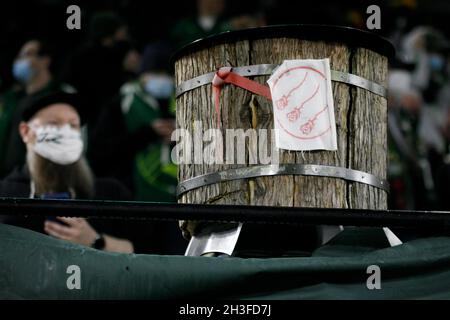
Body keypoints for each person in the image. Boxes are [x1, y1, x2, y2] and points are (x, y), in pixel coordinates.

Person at [0, 91, 153, 254]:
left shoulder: (110, 192)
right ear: (25, 131)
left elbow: (149, 254)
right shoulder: (6, 193)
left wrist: (96, 241)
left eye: (73, 125)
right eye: (53, 124)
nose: (65, 132)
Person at [89, 42, 186, 255]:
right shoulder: (121, 104)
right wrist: (146, 134)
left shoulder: (185, 102)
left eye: (165, 74)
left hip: (178, 205)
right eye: (154, 73)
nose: (160, 79)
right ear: (141, 74)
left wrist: (181, 137)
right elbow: (100, 153)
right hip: (134, 202)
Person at [0, 39, 74, 178]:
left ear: (45, 60)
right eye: (19, 56)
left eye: (27, 54)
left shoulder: (62, 95)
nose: (19, 61)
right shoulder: (10, 99)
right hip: (6, 183)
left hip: (41, 182)